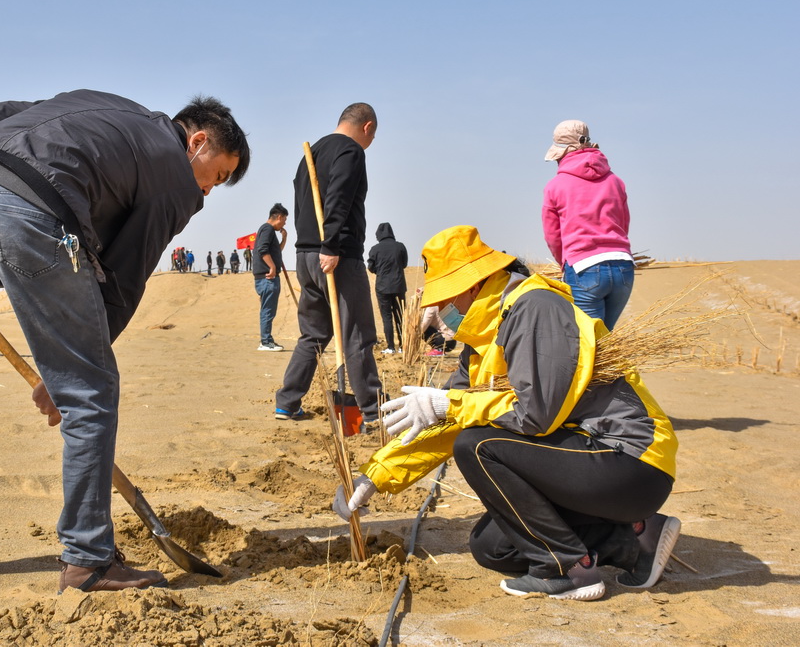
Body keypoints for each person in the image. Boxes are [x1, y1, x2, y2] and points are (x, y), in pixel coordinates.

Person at [0, 89, 250, 593]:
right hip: (25, 208)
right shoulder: (174, 178)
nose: (206, 192)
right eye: (217, 175)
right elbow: (123, 277)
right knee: (91, 396)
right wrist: (75, 367)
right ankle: (89, 559)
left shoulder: (94, 104)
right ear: (196, 141)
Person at [334, 225, 680, 601]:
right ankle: (634, 539)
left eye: (447, 299)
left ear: (471, 286)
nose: (443, 311)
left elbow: (536, 415)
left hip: (628, 462)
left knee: (477, 446)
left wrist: (447, 404)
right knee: (493, 547)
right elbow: (448, 418)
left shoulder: (537, 308)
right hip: (580, 463)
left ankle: (569, 570)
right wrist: (376, 476)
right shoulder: (482, 340)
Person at [275, 103, 382, 423]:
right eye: (373, 135)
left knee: (314, 333)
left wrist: (318, 245)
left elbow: (303, 200)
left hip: (304, 255)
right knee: (358, 334)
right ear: (367, 127)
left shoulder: (314, 151)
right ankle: (373, 411)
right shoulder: (350, 151)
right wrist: (331, 245)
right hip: (336, 256)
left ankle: (287, 401)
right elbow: (339, 196)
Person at [543, 120, 634, 330]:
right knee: (604, 340)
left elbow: (552, 236)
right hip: (623, 266)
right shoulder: (615, 181)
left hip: (584, 268)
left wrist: (563, 263)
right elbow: (623, 222)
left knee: (588, 343)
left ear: (562, 153)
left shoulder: (555, 186)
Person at [367, 222, 408, 354]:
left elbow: (371, 267)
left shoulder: (375, 249)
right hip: (399, 285)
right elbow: (404, 264)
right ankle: (403, 346)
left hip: (382, 287)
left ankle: (390, 347)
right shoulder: (400, 247)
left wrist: (380, 271)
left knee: (387, 317)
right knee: (400, 316)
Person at [254, 203, 289, 352]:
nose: (284, 223)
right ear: (279, 217)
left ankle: (267, 339)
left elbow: (276, 251)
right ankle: (265, 341)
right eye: (284, 220)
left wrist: (284, 238)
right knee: (268, 310)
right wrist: (272, 267)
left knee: (268, 310)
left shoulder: (267, 230)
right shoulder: (267, 228)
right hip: (268, 278)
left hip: (266, 277)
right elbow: (262, 249)